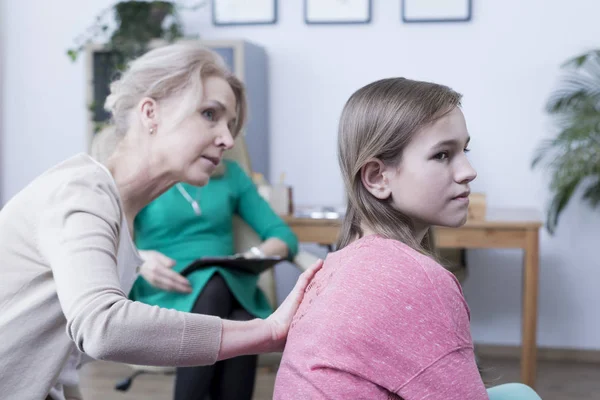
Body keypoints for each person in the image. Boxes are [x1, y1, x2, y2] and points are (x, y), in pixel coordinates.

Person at [0, 42, 322, 400]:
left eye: (231, 124)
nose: (228, 139)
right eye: (209, 114)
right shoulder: (81, 192)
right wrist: (265, 332)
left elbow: (59, 365)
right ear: (150, 113)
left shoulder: (117, 212)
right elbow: (103, 329)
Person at [274, 77, 486, 399]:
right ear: (377, 177)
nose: (468, 170)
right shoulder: (421, 280)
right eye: (442, 155)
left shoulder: (339, 263)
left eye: (464, 150)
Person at [130, 157, 298, 400]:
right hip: (165, 287)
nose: (225, 138)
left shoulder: (231, 174)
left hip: (226, 285)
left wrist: (250, 256)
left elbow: (283, 236)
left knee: (224, 294)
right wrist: (139, 260)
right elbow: (107, 240)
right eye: (210, 117)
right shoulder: (143, 173)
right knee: (239, 318)